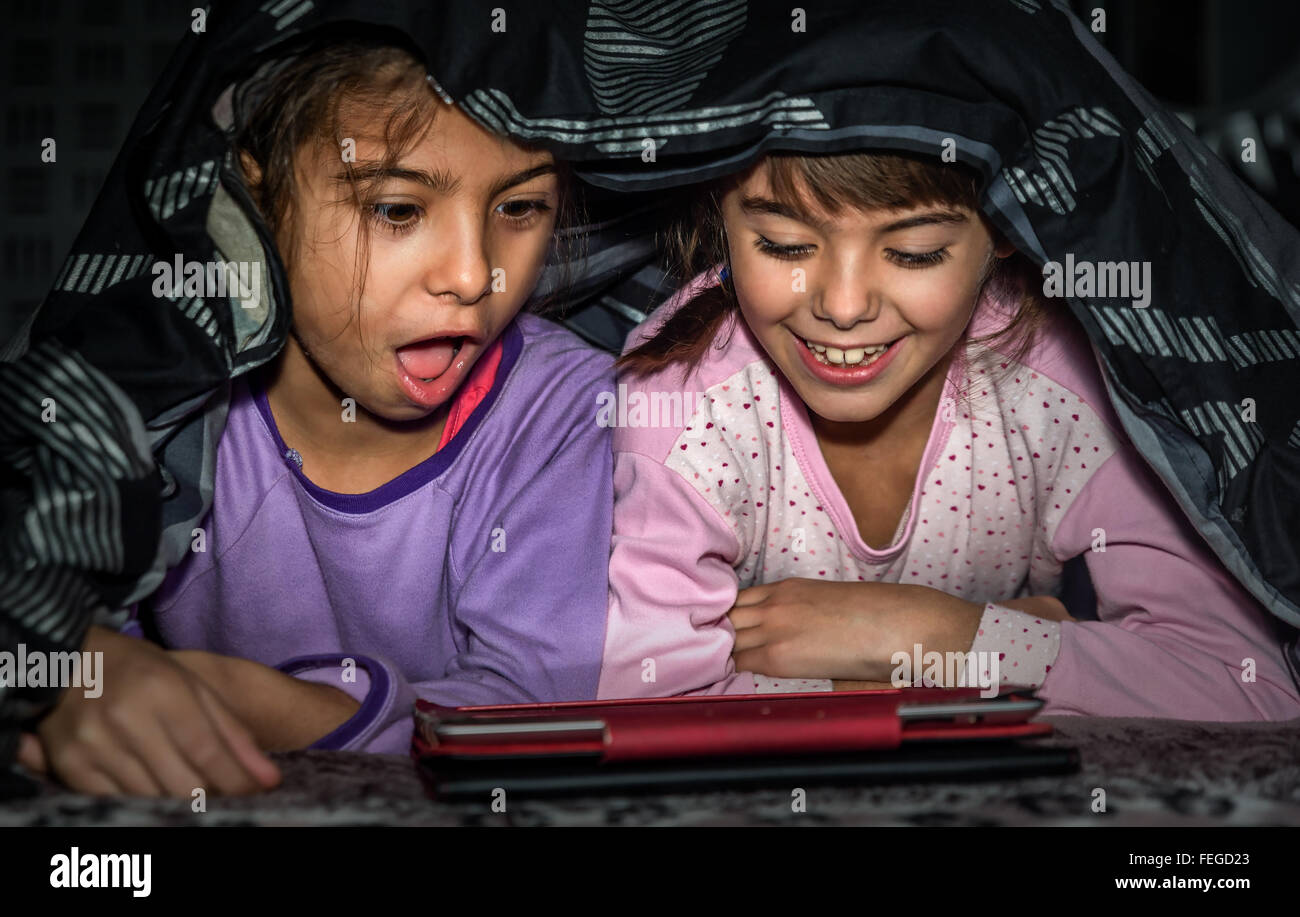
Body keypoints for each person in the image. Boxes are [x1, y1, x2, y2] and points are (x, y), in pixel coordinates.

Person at [15, 35, 614, 796]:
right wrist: (72, 667)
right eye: (397, 208)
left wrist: (265, 707)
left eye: (522, 206)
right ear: (255, 203)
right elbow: (54, 611)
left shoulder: (565, 412)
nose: (473, 274)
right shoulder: (147, 400)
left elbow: (532, 712)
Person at [599, 148, 1300, 720]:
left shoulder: (1062, 375)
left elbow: (1245, 686)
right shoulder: (685, 399)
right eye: (785, 244)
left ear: (1000, 227)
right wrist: (1017, 649)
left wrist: (923, 633)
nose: (843, 307)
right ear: (720, 215)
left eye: (913, 252)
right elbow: (647, 708)